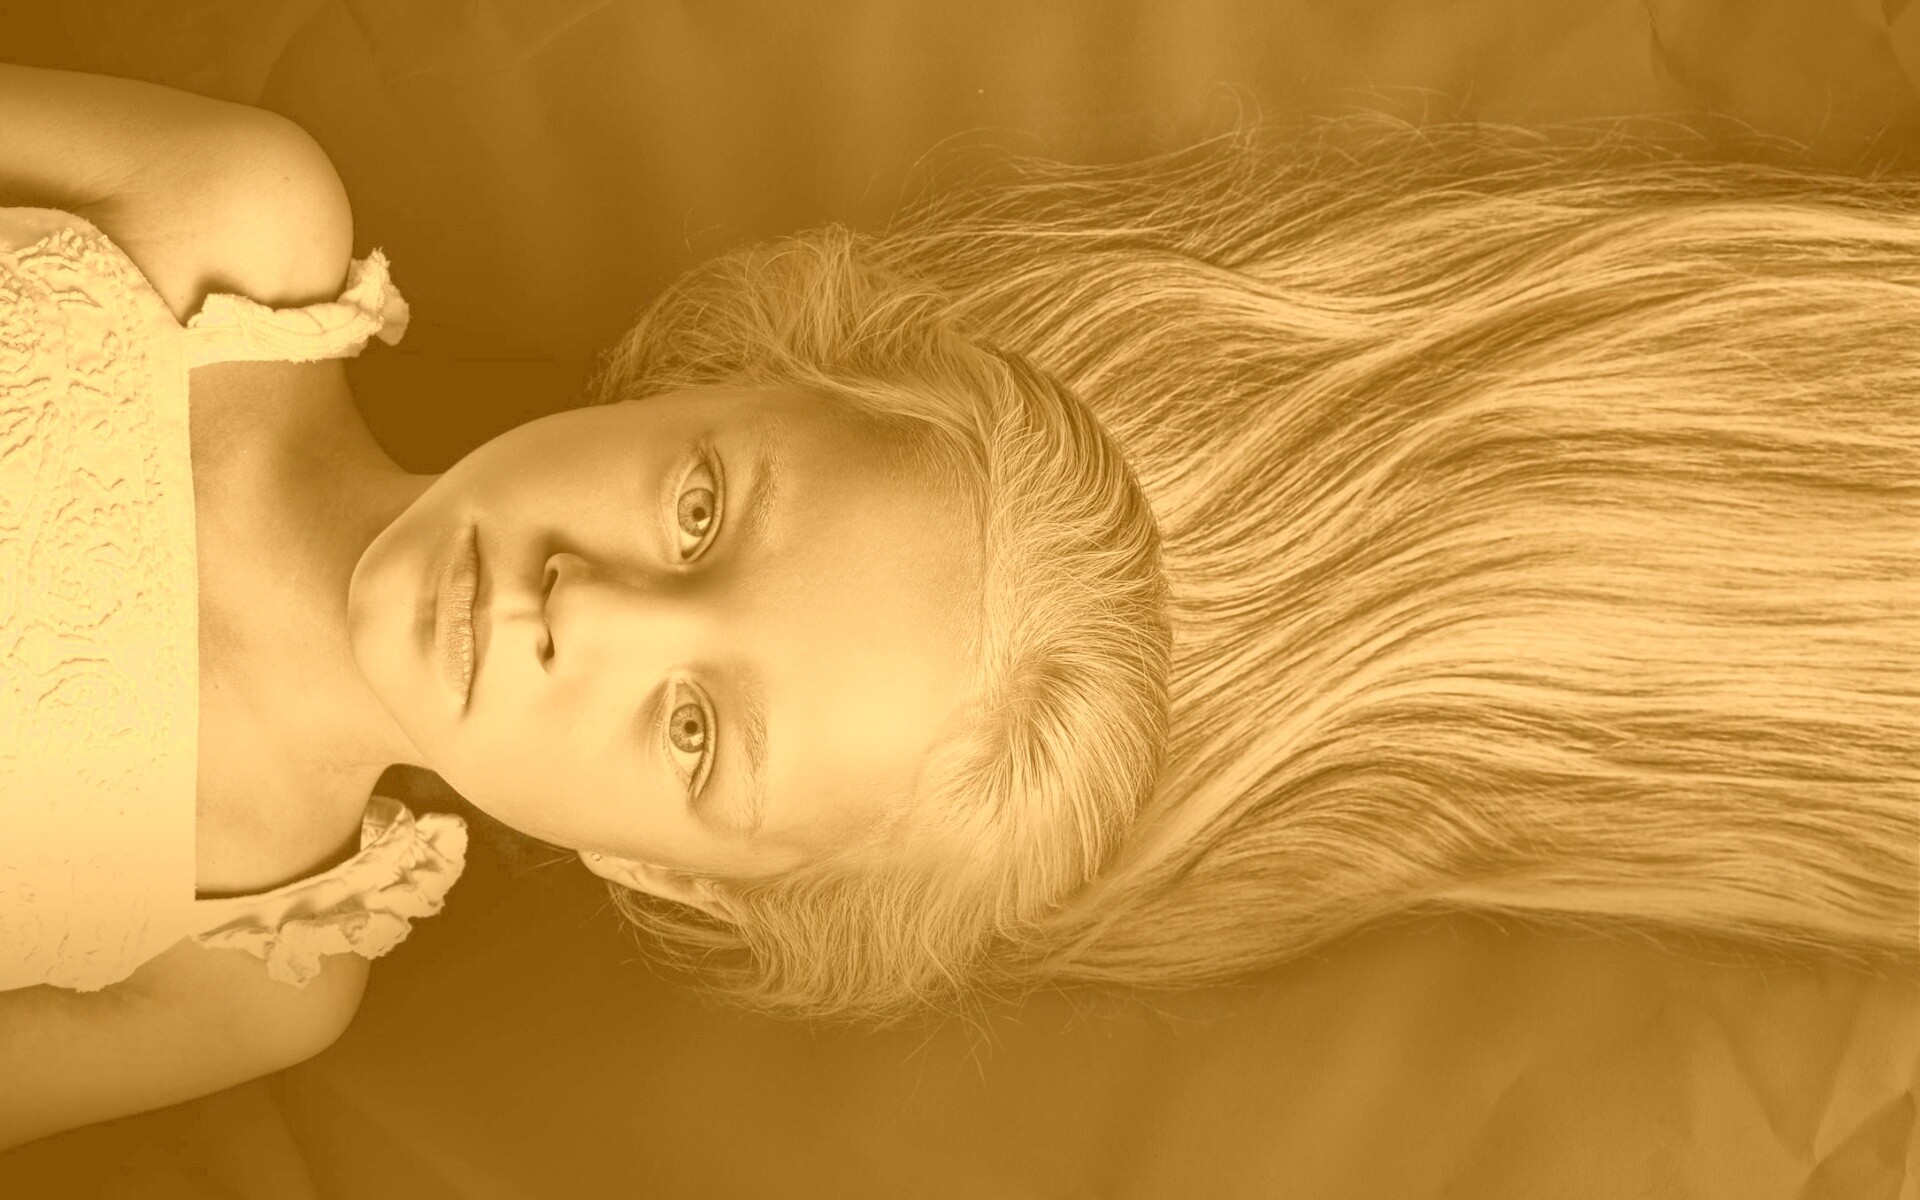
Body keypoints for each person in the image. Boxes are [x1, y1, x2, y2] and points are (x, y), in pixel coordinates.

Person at [3, 61, 1915, 1148]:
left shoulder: (254, 975)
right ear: (717, 376)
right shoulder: (235, 225)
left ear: (666, 876)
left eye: (697, 733)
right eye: (699, 506)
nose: (588, 609)